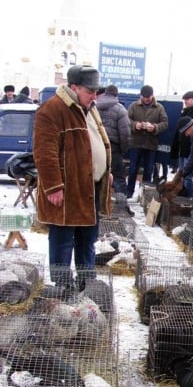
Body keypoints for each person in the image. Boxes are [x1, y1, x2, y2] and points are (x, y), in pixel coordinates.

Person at [32, 64, 112, 291]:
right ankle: (62, 285)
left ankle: (87, 281)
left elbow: (96, 143)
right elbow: (44, 153)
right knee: (63, 239)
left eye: (96, 91)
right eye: (90, 91)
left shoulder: (90, 108)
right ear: (74, 88)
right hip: (67, 188)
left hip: (90, 186)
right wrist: (53, 186)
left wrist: (105, 171)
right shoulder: (52, 110)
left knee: (88, 238)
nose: (94, 96)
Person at [96, 85, 133, 216]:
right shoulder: (120, 109)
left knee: (97, 178)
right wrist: (123, 150)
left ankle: (97, 208)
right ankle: (121, 208)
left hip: (96, 149)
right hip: (114, 150)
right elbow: (126, 134)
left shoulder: (94, 107)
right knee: (119, 179)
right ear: (116, 95)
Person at [126, 85, 168, 199]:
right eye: (144, 97)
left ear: (152, 96)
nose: (146, 99)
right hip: (136, 143)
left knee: (149, 170)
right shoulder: (133, 106)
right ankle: (129, 193)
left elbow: (165, 123)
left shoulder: (159, 107)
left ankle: (144, 196)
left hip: (150, 144)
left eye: (148, 97)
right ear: (141, 96)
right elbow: (126, 120)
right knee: (133, 169)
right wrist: (135, 125)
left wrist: (154, 127)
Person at [170, 90, 193, 199]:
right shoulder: (184, 112)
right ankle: (185, 196)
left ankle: (191, 198)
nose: (185, 103)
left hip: (191, 150)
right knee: (183, 175)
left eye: (187, 100)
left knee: (190, 177)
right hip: (182, 149)